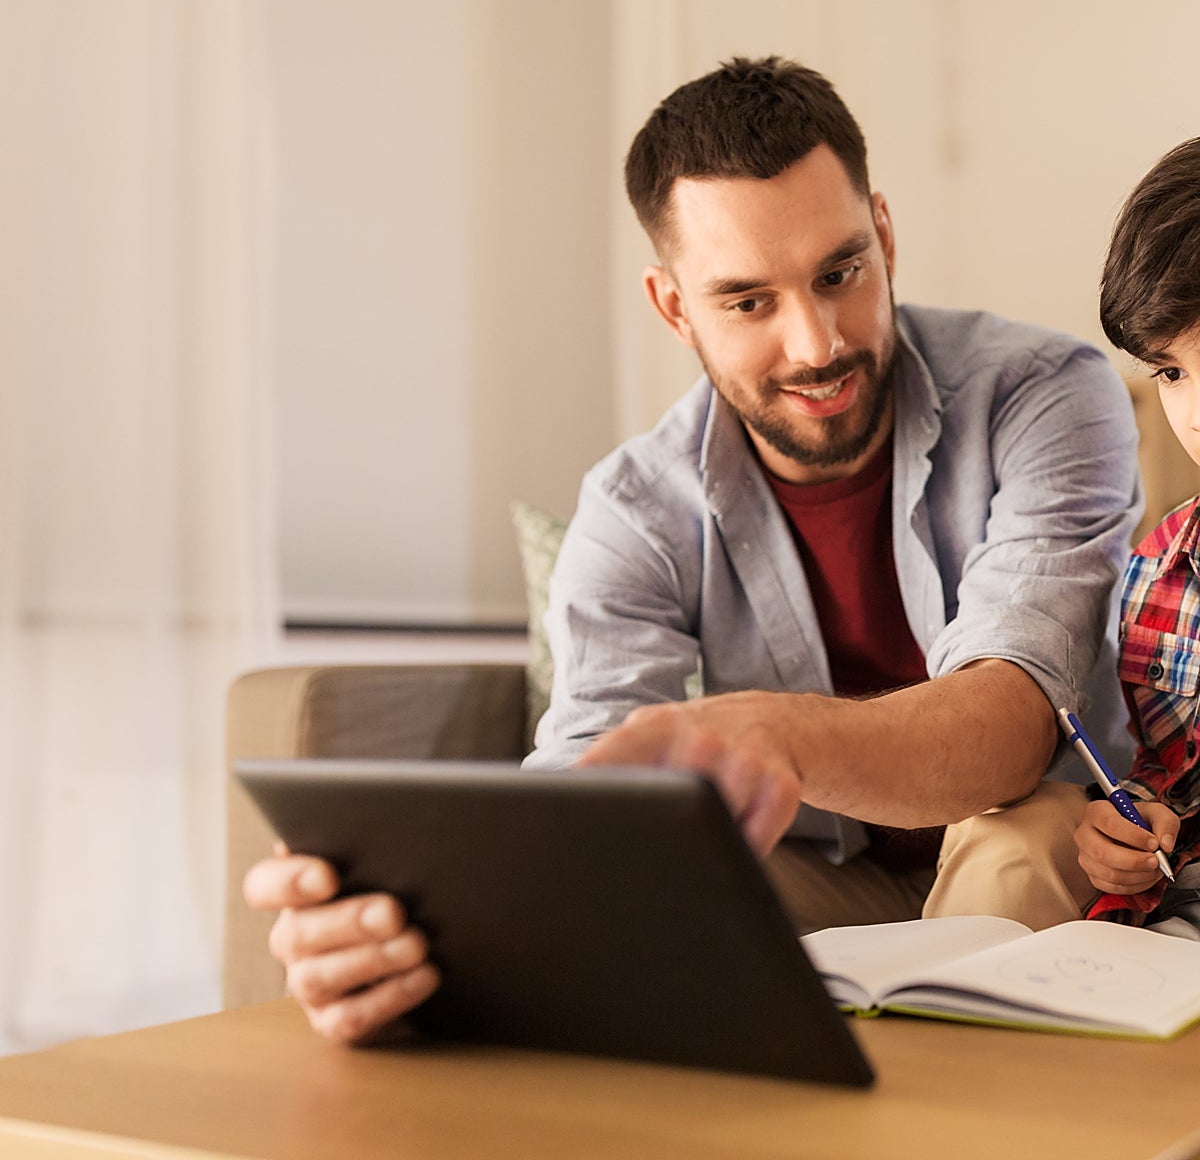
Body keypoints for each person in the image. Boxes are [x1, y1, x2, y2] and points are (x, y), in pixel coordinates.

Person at [243, 56, 1141, 1043]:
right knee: (599, 905)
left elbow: (1014, 719)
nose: (815, 343)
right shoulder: (634, 505)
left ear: (884, 236)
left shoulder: (1047, 393)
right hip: (812, 878)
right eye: (749, 302)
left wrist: (779, 739)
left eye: (840, 273)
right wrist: (413, 932)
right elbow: (588, 780)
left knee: (1023, 839)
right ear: (675, 308)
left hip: (1037, 843)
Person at [1072, 137, 1200, 941]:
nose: (1196, 413)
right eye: (1173, 372)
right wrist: (1128, 831)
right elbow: (1162, 782)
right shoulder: (1157, 572)